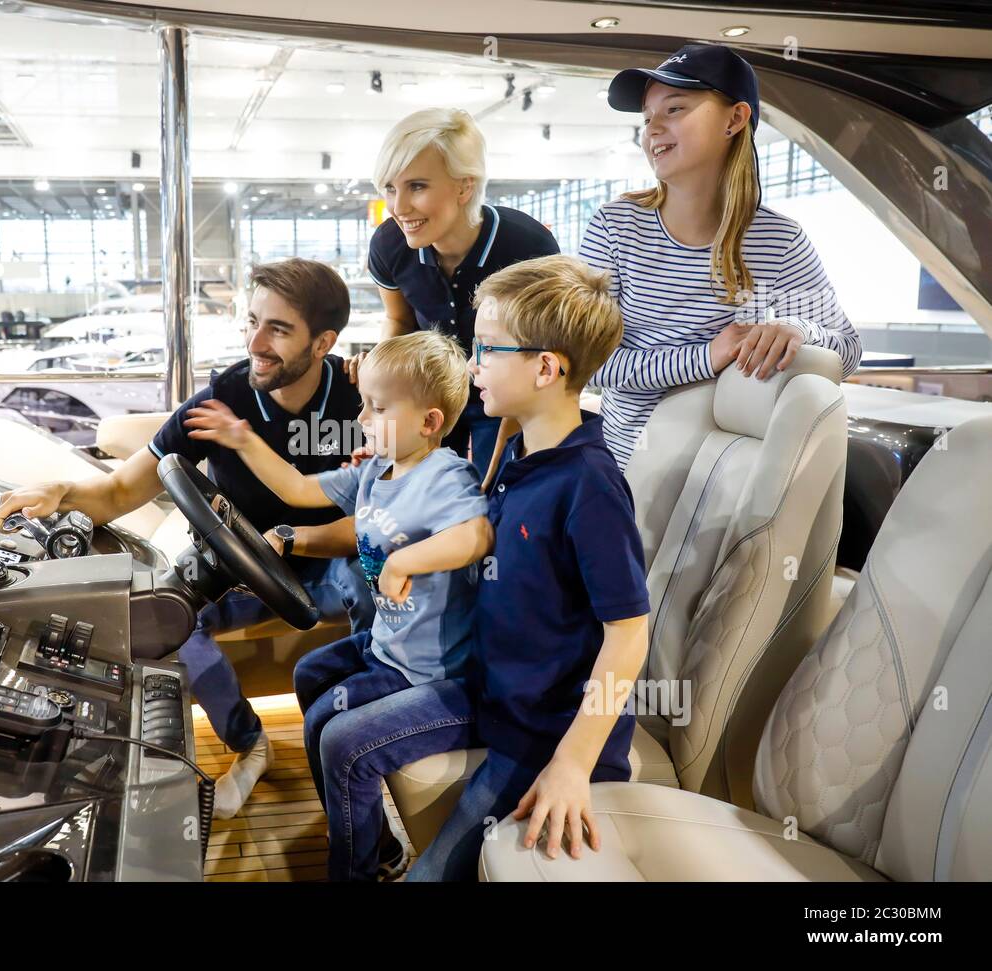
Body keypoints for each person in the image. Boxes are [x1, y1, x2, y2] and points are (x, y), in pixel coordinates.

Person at [0, 258, 375, 818]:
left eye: (279, 329)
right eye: (251, 322)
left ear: (324, 343)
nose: (256, 343)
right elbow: (120, 492)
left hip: (337, 555)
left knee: (376, 581)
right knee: (168, 620)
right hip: (251, 565)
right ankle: (249, 742)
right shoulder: (221, 403)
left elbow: (409, 476)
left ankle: (372, 730)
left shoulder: (361, 392)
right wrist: (61, 491)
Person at [185, 330, 492, 881]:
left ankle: (360, 868)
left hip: (436, 674)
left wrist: (405, 562)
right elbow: (298, 490)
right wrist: (242, 440)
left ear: (429, 422)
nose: (364, 418)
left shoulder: (447, 476)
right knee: (310, 674)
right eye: (363, 405)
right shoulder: (376, 469)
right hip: (389, 650)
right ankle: (372, 841)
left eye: (378, 408)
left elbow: (477, 535)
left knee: (339, 740)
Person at [406, 254, 651, 882]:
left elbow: (629, 635)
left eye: (487, 349)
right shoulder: (517, 451)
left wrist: (572, 764)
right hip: (496, 697)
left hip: (543, 733)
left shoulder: (589, 486)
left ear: (546, 367)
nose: (471, 365)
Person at [580, 43, 861, 470]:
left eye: (674, 109)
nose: (653, 128)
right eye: (647, 116)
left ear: (735, 119)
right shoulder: (616, 227)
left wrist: (794, 329)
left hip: (718, 477)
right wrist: (707, 356)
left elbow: (849, 350)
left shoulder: (778, 239)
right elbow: (586, 362)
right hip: (623, 472)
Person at [358, 107, 561, 476]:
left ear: (465, 185)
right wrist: (381, 388)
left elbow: (546, 346)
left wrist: (518, 422)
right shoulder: (389, 244)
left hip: (503, 392)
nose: (399, 207)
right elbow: (398, 318)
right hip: (428, 391)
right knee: (416, 490)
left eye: (416, 186)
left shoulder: (528, 246)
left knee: (497, 489)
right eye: (390, 187)